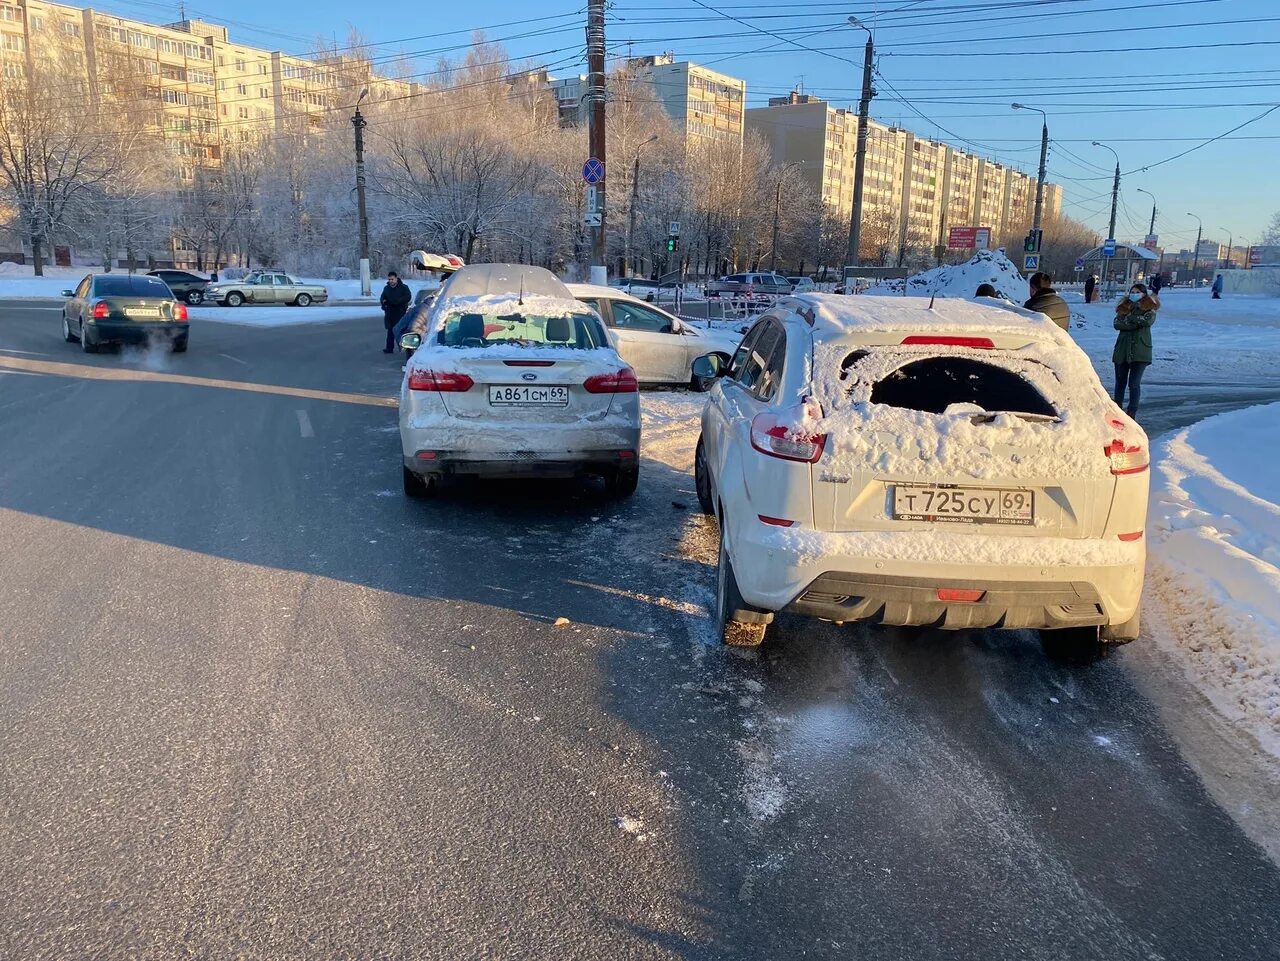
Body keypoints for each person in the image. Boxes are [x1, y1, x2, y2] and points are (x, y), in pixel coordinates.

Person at [1113, 282, 1158, 419]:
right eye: (1132, 291)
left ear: (1144, 294)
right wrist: (1134, 322)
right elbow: (1117, 323)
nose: (1134, 294)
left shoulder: (1149, 309)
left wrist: (1129, 319)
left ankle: (1132, 412)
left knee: (1134, 383)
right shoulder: (1123, 307)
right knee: (1120, 382)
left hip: (1140, 351)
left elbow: (1146, 322)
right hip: (1122, 350)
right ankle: (1117, 409)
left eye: (1137, 292)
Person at [380, 271, 412, 353]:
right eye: (389, 279)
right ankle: (389, 348)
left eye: (392, 279)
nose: (391, 281)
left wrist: (398, 301)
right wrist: (384, 304)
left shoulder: (403, 287)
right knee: (390, 331)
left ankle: (405, 348)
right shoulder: (386, 288)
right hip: (390, 313)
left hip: (400, 312)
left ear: (396, 278)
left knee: (400, 330)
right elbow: (382, 297)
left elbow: (408, 297)